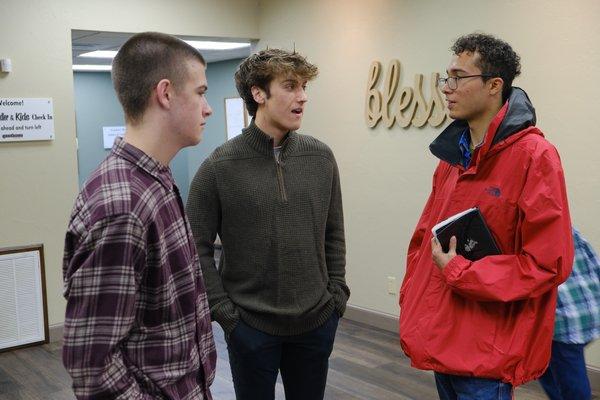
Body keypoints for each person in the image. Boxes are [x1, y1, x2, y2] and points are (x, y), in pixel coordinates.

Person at [399, 32, 574, 400]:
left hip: (485, 353)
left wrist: (459, 271)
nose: (447, 88)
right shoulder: (452, 156)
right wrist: (409, 297)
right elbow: (425, 240)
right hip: (441, 336)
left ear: (495, 85)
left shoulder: (534, 156)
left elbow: (547, 263)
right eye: (445, 78)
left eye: (458, 78)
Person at [186, 48, 349, 400]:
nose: (302, 96)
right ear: (259, 94)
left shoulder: (320, 157)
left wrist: (337, 296)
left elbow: (333, 233)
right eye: (290, 86)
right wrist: (225, 313)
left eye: (304, 86)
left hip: (316, 322)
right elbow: (194, 248)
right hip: (250, 327)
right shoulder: (218, 167)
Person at [62, 32, 216, 399]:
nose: (207, 107)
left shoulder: (155, 179)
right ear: (165, 93)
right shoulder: (123, 206)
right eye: (200, 92)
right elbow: (91, 365)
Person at [538, 227, 600, 400]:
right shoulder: (567, 226)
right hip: (583, 311)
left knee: (571, 385)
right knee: (544, 368)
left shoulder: (534, 233)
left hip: (562, 321)